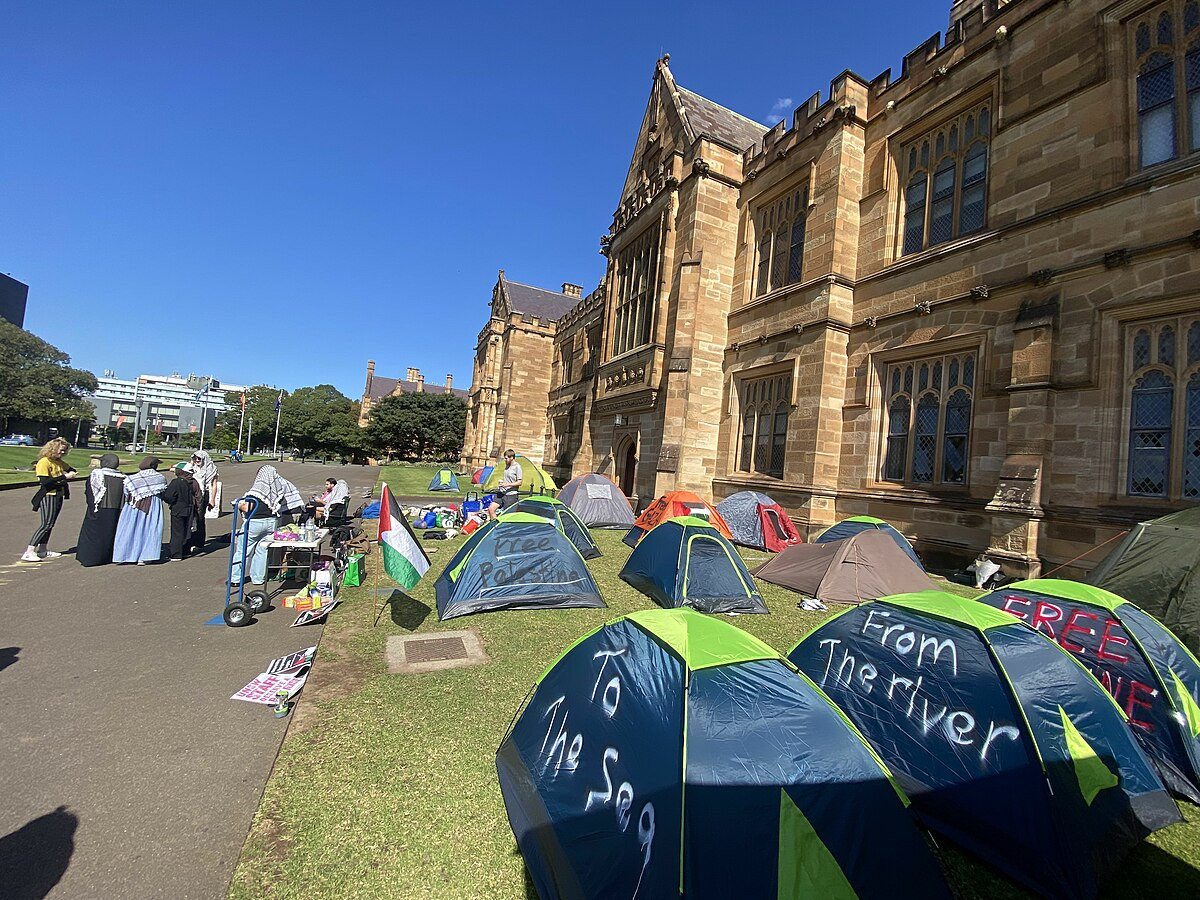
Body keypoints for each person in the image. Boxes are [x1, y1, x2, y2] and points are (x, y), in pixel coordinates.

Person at [230, 465, 304, 589]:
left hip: (255, 522)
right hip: (271, 522)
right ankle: (258, 578)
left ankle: (235, 578)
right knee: (262, 550)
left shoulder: (257, 491)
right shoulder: (276, 491)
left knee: (244, 550)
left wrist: (237, 504)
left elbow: (247, 507)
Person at [21, 438, 77, 562]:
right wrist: (64, 477)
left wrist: (71, 473)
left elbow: (71, 469)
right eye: (61, 450)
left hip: (58, 495)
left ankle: (43, 550)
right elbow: (45, 482)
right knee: (46, 524)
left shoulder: (58, 462)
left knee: (51, 524)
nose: (63, 453)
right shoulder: (44, 462)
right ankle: (29, 551)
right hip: (48, 495)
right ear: (53, 449)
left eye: (65, 451)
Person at [113, 457, 167, 565]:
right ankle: (145, 556)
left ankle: (125, 555)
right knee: (150, 529)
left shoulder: (132, 478)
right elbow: (163, 492)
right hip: (152, 506)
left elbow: (126, 492)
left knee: (130, 528)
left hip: (132, 506)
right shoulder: (160, 478)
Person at [76, 453, 126, 567]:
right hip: (117, 509)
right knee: (110, 534)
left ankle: (90, 559)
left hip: (99, 508)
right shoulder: (123, 477)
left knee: (93, 535)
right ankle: (108, 557)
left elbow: (91, 492)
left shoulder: (98, 474)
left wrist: (92, 507)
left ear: (105, 463)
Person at [161, 463, 202, 561]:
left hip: (178, 509)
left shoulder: (176, 482)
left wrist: (170, 502)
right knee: (187, 530)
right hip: (190, 509)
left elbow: (169, 496)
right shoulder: (193, 482)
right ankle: (185, 551)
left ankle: (176, 554)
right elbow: (199, 497)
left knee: (177, 532)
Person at [185, 450, 219, 553]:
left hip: (203, 495)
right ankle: (188, 541)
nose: (197, 460)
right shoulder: (191, 467)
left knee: (199, 518)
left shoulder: (212, 469)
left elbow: (214, 485)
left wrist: (212, 500)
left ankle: (198, 542)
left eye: (199, 458)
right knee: (190, 518)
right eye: (195, 458)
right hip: (192, 494)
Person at [486, 449, 523, 520]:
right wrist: (502, 483)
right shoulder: (507, 465)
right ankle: (494, 525)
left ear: (511, 457)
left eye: (506, 458)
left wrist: (507, 484)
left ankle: (502, 526)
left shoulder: (517, 467)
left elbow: (519, 482)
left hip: (511, 495)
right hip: (502, 492)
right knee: (491, 509)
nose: (504, 460)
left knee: (507, 516)